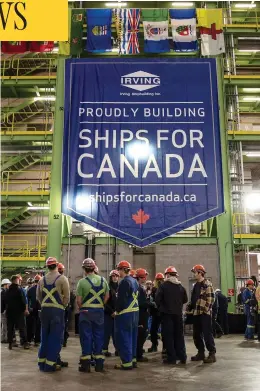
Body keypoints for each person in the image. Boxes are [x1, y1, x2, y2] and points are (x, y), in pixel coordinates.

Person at [37, 257, 70, 372]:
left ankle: (42, 363)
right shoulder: (62, 279)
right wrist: (62, 306)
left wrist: (45, 304)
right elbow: (67, 297)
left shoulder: (41, 280)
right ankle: (50, 365)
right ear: (56, 265)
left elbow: (38, 297)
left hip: (45, 311)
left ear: (47, 267)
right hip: (57, 311)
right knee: (55, 338)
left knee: (44, 336)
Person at [77, 258, 109, 373]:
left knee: (86, 336)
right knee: (99, 336)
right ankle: (99, 365)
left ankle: (85, 365)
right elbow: (107, 296)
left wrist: (83, 307)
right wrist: (100, 305)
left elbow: (79, 301)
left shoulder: (82, 282)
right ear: (94, 267)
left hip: (86, 312)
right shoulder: (103, 280)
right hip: (99, 312)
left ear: (84, 269)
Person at [156, 267, 188, 365]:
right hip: (178, 315)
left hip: (167, 316)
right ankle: (182, 357)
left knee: (169, 337)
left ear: (168, 275)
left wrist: (163, 307)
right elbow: (185, 300)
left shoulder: (163, 286)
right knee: (179, 336)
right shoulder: (181, 287)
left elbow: (157, 300)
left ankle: (171, 358)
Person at [187, 264, 216, 363]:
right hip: (196, 313)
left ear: (200, 273)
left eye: (195, 272)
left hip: (204, 314)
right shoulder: (195, 286)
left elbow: (211, 299)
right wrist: (190, 306)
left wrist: (205, 311)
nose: (194, 274)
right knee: (196, 334)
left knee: (207, 334)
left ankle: (212, 354)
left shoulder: (207, 284)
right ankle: (201, 353)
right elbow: (194, 298)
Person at [114, 260, 139, 370]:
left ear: (123, 270)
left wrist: (117, 311)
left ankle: (126, 362)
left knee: (124, 337)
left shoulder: (124, 282)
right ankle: (133, 359)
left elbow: (121, 300)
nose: (118, 272)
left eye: (119, 269)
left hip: (125, 314)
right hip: (135, 313)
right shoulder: (134, 281)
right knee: (133, 337)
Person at [5, 275, 29, 350]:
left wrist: (4, 309)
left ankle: (10, 343)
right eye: (18, 280)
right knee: (22, 328)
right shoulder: (19, 289)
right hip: (19, 312)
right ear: (16, 280)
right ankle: (25, 343)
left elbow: (4, 301)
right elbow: (23, 300)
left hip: (9, 312)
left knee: (10, 328)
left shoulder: (7, 290)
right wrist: (25, 309)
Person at [103, 269, 119, 357]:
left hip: (117, 314)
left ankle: (118, 349)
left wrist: (117, 311)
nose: (115, 278)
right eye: (113, 276)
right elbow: (104, 302)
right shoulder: (107, 287)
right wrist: (111, 312)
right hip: (108, 314)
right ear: (110, 277)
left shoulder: (120, 288)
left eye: (116, 276)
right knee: (106, 333)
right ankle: (104, 350)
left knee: (116, 333)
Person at [135, 268, 150, 363]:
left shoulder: (139, 287)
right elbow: (141, 303)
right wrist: (150, 303)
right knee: (141, 335)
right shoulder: (139, 288)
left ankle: (138, 353)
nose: (146, 279)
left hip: (140, 314)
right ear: (141, 277)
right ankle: (138, 355)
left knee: (141, 335)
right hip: (141, 315)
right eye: (145, 277)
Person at [148, 273, 164, 353]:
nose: (159, 282)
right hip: (155, 313)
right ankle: (154, 345)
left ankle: (165, 347)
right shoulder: (153, 290)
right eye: (158, 280)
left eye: (160, 280)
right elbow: (151, 300)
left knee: (164, 331)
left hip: (162, 313)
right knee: (153, 331)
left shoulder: (164, 289)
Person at [27, 274, 41, 346]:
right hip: (39, 310)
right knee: (38, 325)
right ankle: (37, 341)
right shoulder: (42, 289)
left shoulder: (30, 290)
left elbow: (27, 301)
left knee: (30, 325)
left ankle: (29, 340)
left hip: (31, 309)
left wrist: (28, 309)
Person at [58, 262, 70, 347]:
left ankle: (61, 340)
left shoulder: (47, 279)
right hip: (63, 307)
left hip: (55, 307)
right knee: (64, 324)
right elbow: (67, 296)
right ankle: (63, 341)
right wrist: (65, 306)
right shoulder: (64, 279)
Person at [1, 278, 11, 343]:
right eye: (8, 284)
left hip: (4, 310)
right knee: (4, 325)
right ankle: (3, 338)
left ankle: (4, 338)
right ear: (5, 284)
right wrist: (4, 310)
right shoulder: (3, 292)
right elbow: (3, 302)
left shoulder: (4, 291)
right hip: (3, 311)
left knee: (5, 325)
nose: (9, 285)